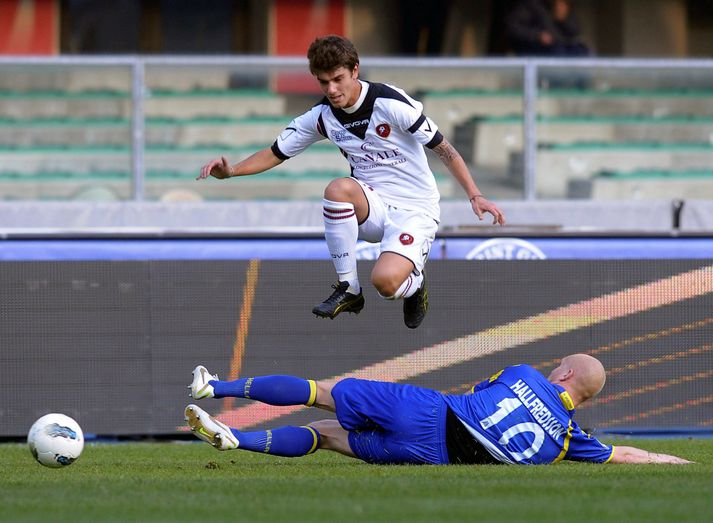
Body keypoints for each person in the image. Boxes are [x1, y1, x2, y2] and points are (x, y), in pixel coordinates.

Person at [198, 35, 506, 329]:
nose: (331, 89)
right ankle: (349, 287)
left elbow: (444, 149)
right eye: (323, 81)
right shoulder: (321, 116)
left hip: (415, 210)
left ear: (355, 70)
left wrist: (475, 195)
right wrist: (232, 171)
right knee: (337, 189)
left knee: (385, 283)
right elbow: (276, 152)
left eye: (338, 78)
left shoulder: (391, 102)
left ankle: (416, 283)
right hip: (371, 205)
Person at [184, 354, 692, 465]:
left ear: (562, 376)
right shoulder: (569, 440)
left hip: (434, 413)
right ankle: (236, 439)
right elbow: (626, 455)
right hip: (433, 457)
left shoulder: (523, 375)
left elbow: (478, 390)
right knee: (324, 435)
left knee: (324, 392)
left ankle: (215, 388)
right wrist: (684, 466)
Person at [504, 0, 590, 57]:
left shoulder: (562, 4)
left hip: (562, 46)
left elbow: (575, 31)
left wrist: (563, 19)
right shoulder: (531, 4)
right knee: (558, 53)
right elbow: (513, 28)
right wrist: (537, 35)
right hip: (537, 49)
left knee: (581, 51)